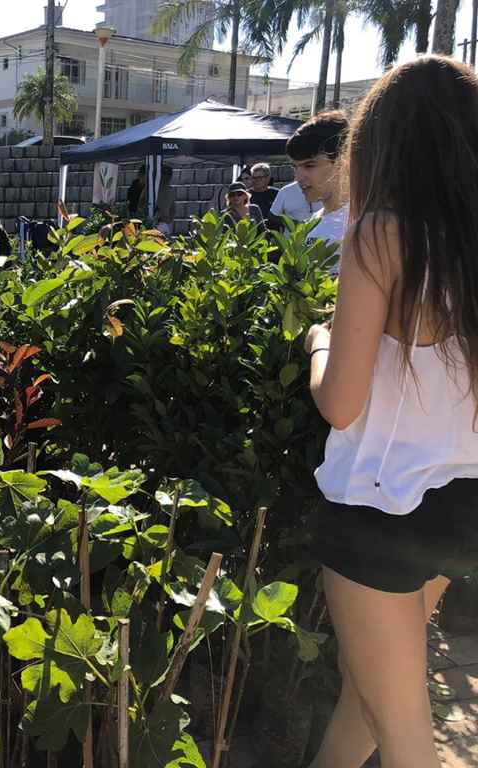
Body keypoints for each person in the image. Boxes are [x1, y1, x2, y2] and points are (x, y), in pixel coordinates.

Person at [304, 56, 478, 768]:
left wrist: (317, 342)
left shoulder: (380, 235)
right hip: (460, 507)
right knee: (371, 689)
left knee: (407, 735)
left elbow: (341, 405)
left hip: (379, 511)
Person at [287, 111, 350, 270]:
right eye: (295, 167)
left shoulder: (361, 225)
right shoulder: (313, 222)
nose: (298, 178)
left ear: (343, 161)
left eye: (309, 165)